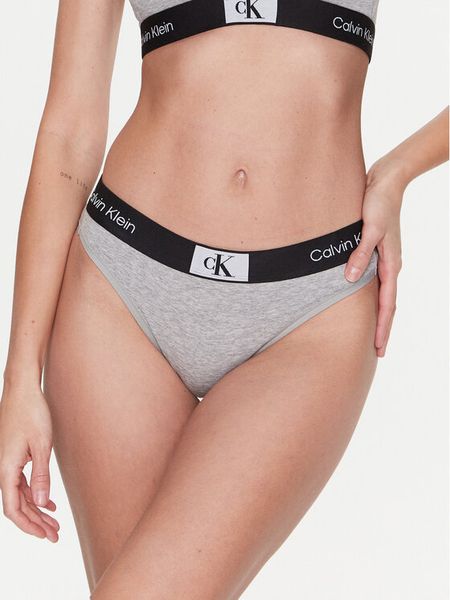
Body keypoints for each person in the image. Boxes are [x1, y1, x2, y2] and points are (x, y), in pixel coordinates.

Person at [0, 0, 448, 597]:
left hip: (310, 311)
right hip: (122, 292)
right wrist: (20, 376)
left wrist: (400, 170)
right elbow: (69, 130)